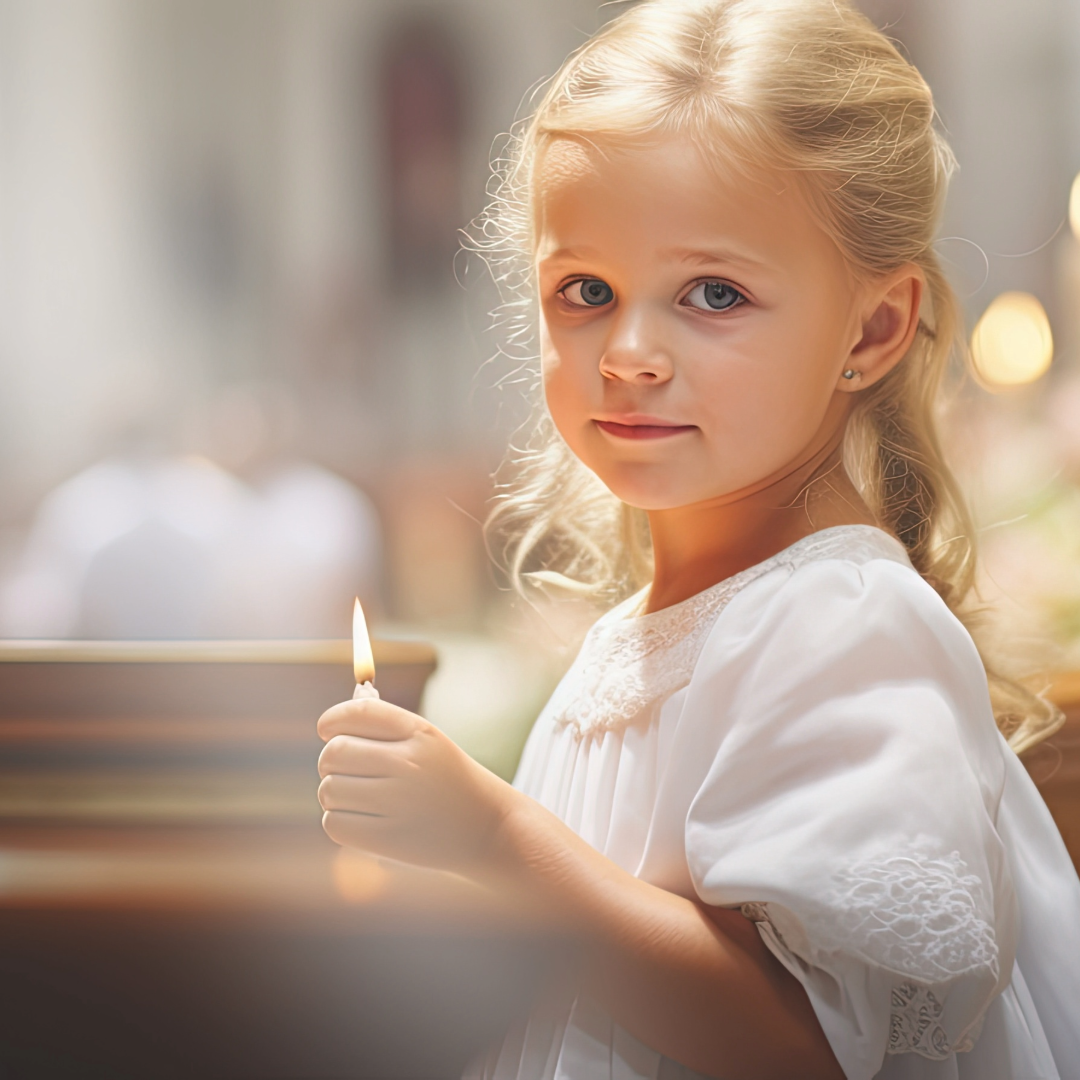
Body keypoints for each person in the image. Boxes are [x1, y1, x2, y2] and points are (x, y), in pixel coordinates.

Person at [315, 2, 1080, 1077]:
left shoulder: (842, 623)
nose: (628, 353)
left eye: (713, 294)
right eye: (586, 292)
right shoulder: (640, 638)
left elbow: (807, 1049)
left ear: (872, 329)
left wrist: (494, 839)